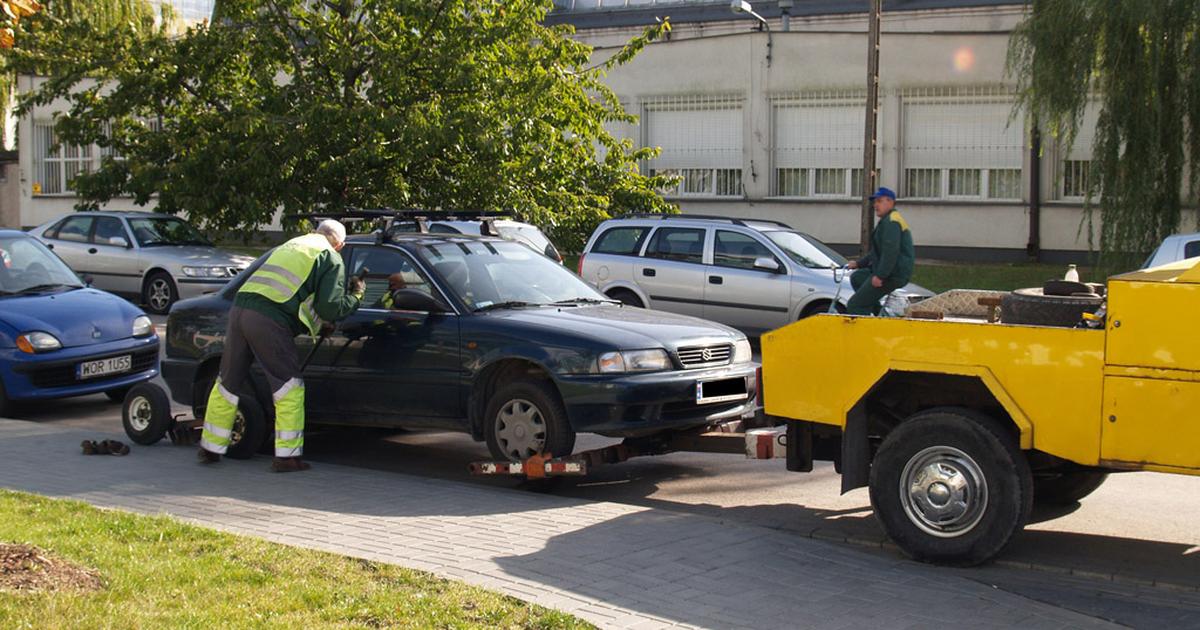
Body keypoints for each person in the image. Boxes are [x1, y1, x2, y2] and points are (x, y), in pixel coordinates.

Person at [198, 220, 365, 472]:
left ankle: (210, 447)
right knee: (289, 386)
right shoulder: (330, 257)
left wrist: (319, 325)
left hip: (240, 310)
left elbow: (294, 294)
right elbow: (328, 307)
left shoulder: (293, 244)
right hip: (267, 319)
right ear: (340, 244)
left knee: (228, 381)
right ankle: (286, 458)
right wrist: (356, 296)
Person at [846, 187, 915, 316]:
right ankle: (880, 316)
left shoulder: (892, 222)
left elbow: (890, 252)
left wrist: (880, 276)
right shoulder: (887, 220)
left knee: (855, 305)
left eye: (879, 201)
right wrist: (858, 264)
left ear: (890, 202)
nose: (875, 205)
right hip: (891, 272)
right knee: (857, 277)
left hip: (893, 274)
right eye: (875, 202)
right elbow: (876, 252)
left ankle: (867, 333)